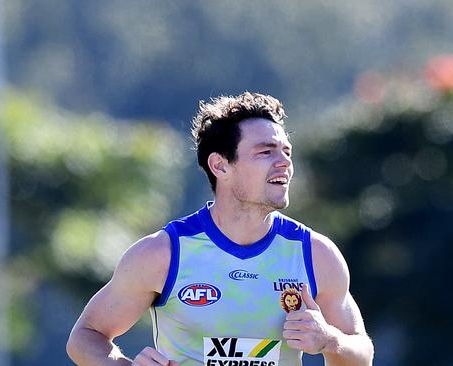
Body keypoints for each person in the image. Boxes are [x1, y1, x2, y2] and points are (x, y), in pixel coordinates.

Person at [66, 92, 374, 366]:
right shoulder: (163, 253)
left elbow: (362, 355)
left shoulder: (316, 254)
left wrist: (329, 341)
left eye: (286, 152)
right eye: (266, 152)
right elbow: (85, 337)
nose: (284, 163)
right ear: (220, 166)